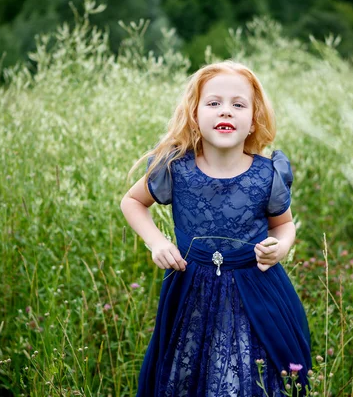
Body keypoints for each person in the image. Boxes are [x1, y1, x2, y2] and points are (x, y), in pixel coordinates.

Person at [120, 60, 311, 396]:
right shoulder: (176, 168)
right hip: (191, 289)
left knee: (250, 378)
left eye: (238, 104)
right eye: (213, 103)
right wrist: (157, 243)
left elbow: (285, 225)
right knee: (189, 373)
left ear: (254, 119)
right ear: (195, 115)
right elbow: (132, 202)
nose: (226, 111)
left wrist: (280, 248)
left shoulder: (267, 175)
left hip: (257, 291)